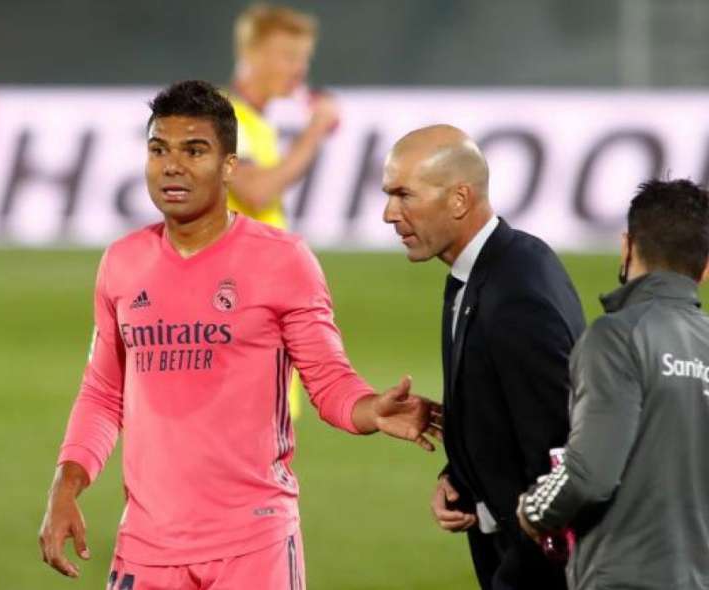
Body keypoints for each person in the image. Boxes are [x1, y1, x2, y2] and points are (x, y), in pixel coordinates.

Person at [39, 80, 440, 589]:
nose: (173, 166)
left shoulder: (283, 260)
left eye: (194, 150)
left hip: (254, 545)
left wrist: (369, 409)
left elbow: (329, 380)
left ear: (230, 166)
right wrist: (66, 484)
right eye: (159, 149)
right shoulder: (122, 264)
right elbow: (102, 393)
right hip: (147, 547)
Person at [381, 124, 585, 589]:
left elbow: (560, 450)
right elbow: (507, 407)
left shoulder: (516, 293)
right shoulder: (480, 273)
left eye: (403, 195)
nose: (389, 214)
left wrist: (520, 572)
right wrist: (460, 476)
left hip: (538, 564)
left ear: (459, 199)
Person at [517, 179, 709, 590]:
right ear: (706, 268)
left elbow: (589, 474)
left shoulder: (616, 337)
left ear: (627, 245)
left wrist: (534, 510)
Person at [229, 3, 338, 420]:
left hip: (265, 299)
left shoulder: (258, 125)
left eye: (304, 59)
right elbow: (256, 191)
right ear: (253, 53)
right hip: (239, 306)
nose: (299, 70)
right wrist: (316, 130)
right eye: (288, 56)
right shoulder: (224, 117)